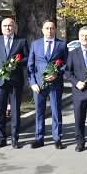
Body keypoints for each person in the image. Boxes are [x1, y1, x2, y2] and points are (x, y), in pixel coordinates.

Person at [0, 17, 28, 149]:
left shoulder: (21, 41)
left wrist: (17, 62)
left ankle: (15, 139)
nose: (7, 28)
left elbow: (27, 58)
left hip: (15, 82)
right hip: (0, 82)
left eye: (10, 25)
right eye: (5, 26)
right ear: (1, 28)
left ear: (14, 27)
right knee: (0, 111)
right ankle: (1, 138)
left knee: (15, 111)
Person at [27, 20, 68, 149]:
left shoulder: (62, 45)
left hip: (55, 84)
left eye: (52, 28)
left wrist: (57, 73)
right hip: (39, 85)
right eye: (47, 28)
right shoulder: (35, 44)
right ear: (42, 30)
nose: (49, 30)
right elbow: (30, 65)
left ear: (55, 29)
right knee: (39, 112)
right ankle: (39, 138)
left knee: (56, 111)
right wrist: (32, 82)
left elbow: (67, 64)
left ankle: (57, 138)